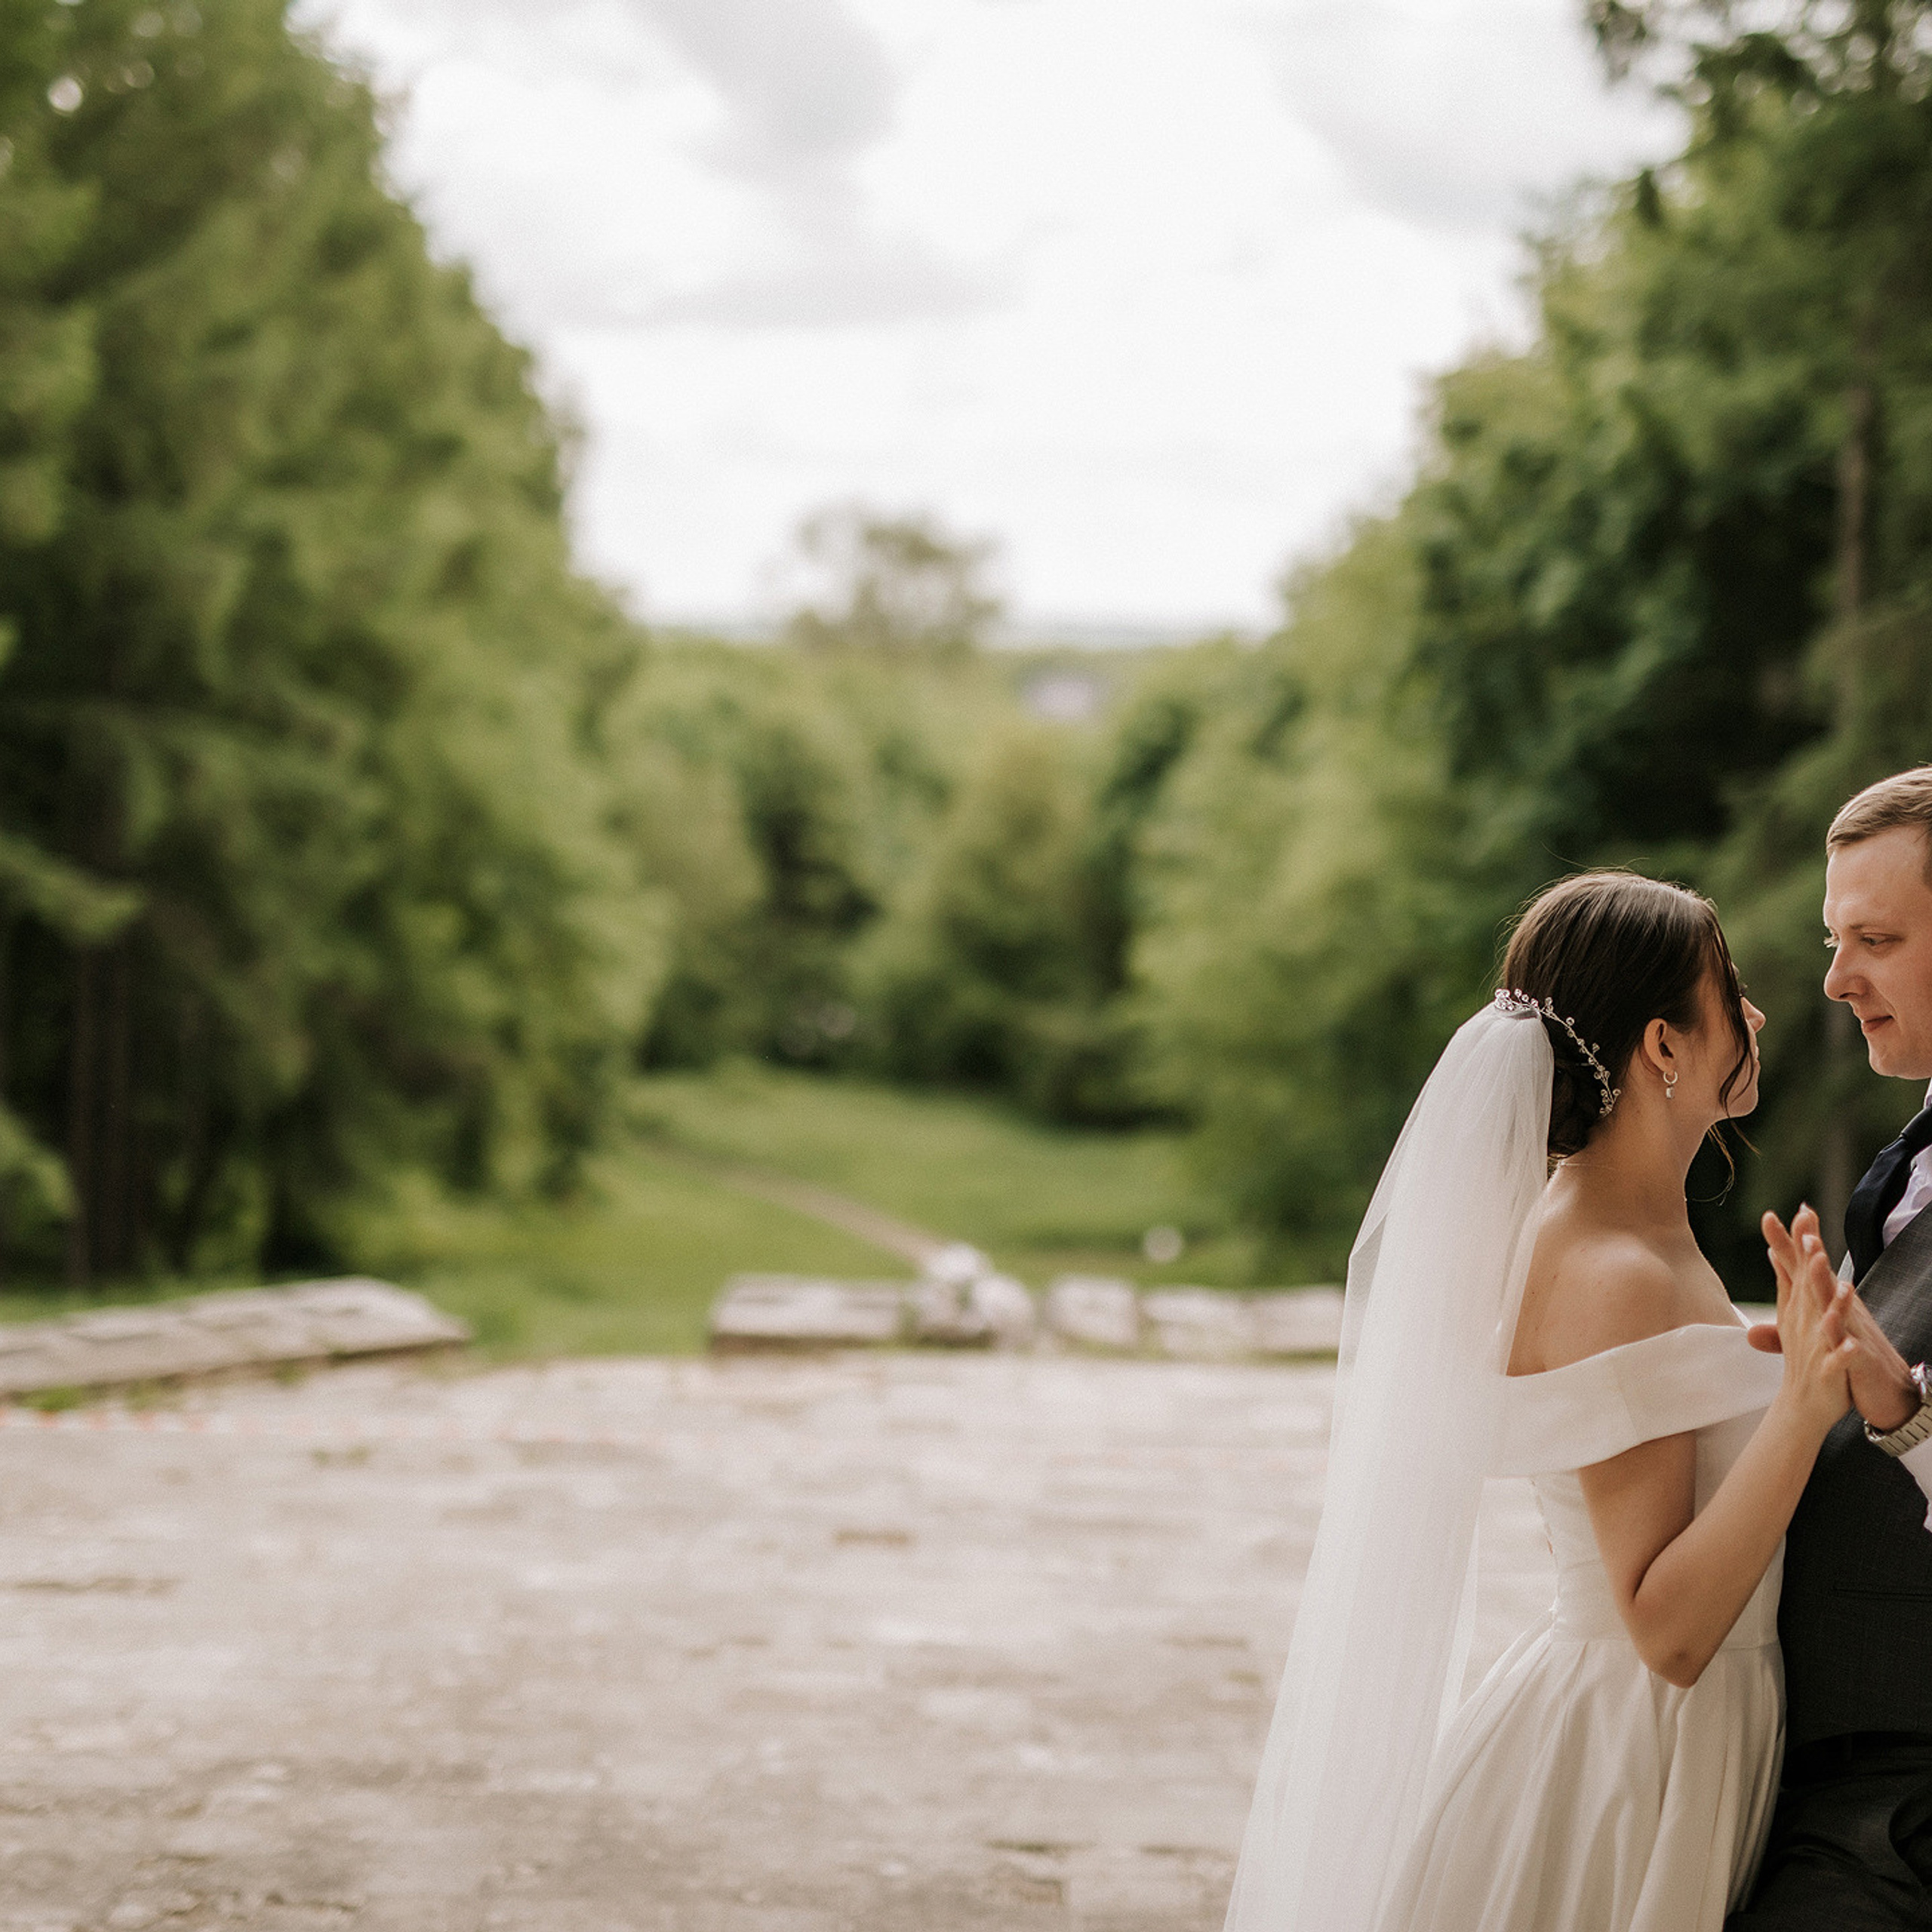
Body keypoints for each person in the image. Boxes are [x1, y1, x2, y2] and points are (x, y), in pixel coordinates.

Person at [1223, 869, 1872, 1932]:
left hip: (1680, 1733)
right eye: (1731, 985)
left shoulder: (1643, 1239)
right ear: (1663, 1044)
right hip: (1630, 1761)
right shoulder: (1612, 1268)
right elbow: (1663, 1628)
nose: (1755, 1013)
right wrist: (1802, 1403)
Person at [1730, 764, 1932, 1929]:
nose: (1834, 979)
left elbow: (1904, 1405)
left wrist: (1902, 1407)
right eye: (1832, 937)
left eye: (1877, 938)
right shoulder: (1908, 1158)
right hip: (1826, 1779)